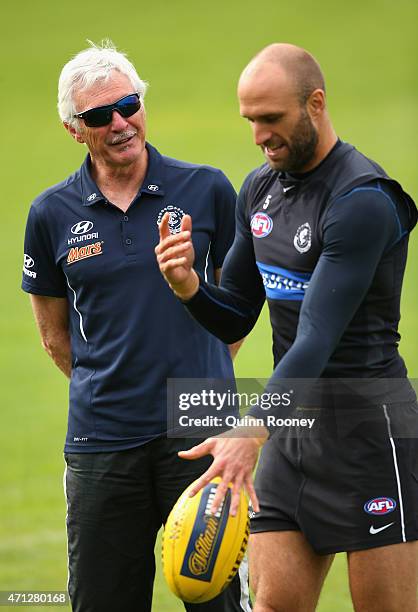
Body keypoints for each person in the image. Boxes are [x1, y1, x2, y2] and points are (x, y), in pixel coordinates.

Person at [156, 43, 418, 611]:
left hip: (368, 433)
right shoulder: (260, 189)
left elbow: (315, 341)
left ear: (315, 104)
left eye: (271, 119)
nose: (259, 136)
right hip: (293, 425)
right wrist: (191, 291)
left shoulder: (362, 201)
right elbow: (238, 313)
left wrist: (247, 433)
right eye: (251, 120)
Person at [22, 41, 250, 612]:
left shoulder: (207, 188)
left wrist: (204, 373)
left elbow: (237, 310)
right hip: (102, 445)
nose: (121, 123)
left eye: (128, 105)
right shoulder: (50, 214)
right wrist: (113, 383)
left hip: (200, 438)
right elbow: (55, 336)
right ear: (76, 129)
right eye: (101, 115)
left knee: (216, 600)